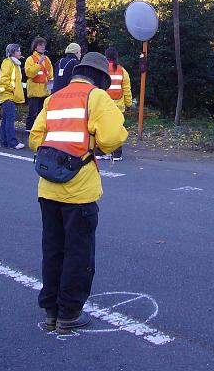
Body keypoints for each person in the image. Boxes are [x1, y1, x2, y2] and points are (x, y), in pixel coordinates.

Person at [29, 52, 128, 333]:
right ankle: (69, 313)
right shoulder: (97, 98)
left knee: (53, 250)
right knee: (78, 253)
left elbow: (36, 138)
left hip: (47, 189)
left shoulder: (54, 98)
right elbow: (111, 138)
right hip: (80, 191)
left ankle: (51, 311)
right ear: (99, 77)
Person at [104, 46, 133, 161]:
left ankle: (102, 152)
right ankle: (117, 154)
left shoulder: (102, 69)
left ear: (105, 56)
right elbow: (126, 89)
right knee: (116, 129)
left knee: (103, 129)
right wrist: (129, 104)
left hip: (103, 105)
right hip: (118, 105)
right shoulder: (122, 71)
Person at [0, 43, 25, 149]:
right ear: (12, 52)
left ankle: (4, 142)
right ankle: (13, 143)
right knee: (10, 120)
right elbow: (4, 80)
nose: (20, 53)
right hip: (7, 95)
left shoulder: (13, 63)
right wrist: (12, 89)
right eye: (18, 51)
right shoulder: (9, 63)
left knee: (6, 119)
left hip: (7, 94)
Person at [24, 36, 54, 131]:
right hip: (35, 91)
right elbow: (29, 73)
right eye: (40, 45)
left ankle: (40, 130)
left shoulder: (47, 59)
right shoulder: (30, 59)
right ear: (35, 47)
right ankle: (29, 130)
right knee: (32, 113)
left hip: (45, 91)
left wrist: (51, 84)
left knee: (42, 113)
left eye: (43, 45)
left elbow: (50, 73)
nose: (42, 47)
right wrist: (38, 64)